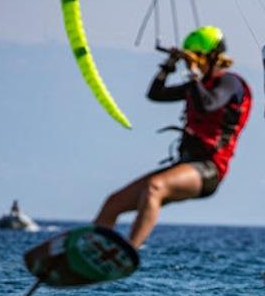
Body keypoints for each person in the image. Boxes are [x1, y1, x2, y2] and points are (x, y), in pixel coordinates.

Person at [94, 26, 252, 249]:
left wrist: (194, 75)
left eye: (198, 58)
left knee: (155, 187)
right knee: (113, 203)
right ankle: (91, 251)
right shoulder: (195, 86)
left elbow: (208, 104)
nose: (193, 63)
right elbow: (155, 94)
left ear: (214, 58)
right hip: (185, 164)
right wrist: (168, 66)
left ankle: (128, 252)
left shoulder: (231, 83)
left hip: (209, 169)